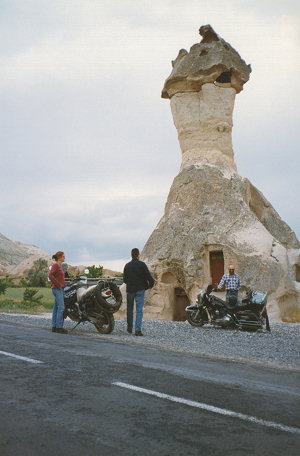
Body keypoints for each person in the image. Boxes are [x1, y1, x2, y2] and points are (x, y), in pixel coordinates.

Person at [123, 248, 154, 336]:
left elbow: (125, 280)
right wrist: (149, 286)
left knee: (130, 309)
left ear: (131, 255)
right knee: (139, 310)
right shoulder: (142, 265)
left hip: (130, 290)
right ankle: (137, 330)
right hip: (140, 289)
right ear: (138, 255)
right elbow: (149, 277)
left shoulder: (127, 266)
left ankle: (129, 328)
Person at [49, 251, 68, 334]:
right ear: (59, 257)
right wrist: (58, 285)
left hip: (59, 288)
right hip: (57, 289)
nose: (64, 258)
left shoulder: (59, 266)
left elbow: (58, 277)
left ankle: (54, 326)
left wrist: (63, 283)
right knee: (61, 307)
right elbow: (50, 275)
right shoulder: (56, 265)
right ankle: (59, 327)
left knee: (56, 308)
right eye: (63, 256)